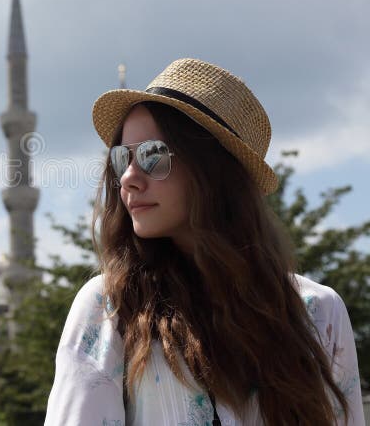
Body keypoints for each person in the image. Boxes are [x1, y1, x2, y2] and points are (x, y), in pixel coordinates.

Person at [45, 58, 365, 425]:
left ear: (214, 170)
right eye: (122, 158)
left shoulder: (318, 312)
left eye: (152, 155)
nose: (129, 178)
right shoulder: (111, 308)